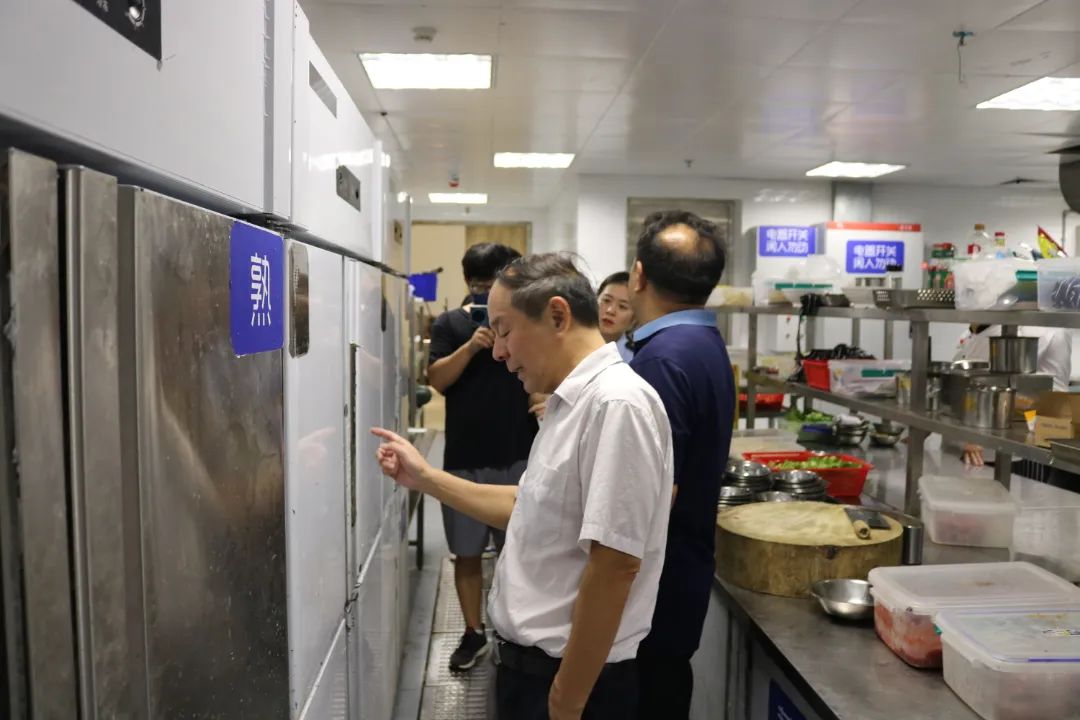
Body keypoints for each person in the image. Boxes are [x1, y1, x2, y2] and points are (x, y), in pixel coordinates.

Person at [373, 253, 674, 720]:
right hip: (531, 672)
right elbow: (526, 503)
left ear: (557, 316)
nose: (498, 351)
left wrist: (566, 701)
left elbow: (615, 565)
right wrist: (425, 478)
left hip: (567, 682)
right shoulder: (569, 402)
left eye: (505, 330)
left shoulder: (616, 405)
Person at [625, 210, 735, 719]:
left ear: (638, 275)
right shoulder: (701, 343)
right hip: (681, 578)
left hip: (654, 591)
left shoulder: (662, 360)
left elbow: (652, 498)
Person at [426, 242, 542, 671]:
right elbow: (437, 380)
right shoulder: (450, 324)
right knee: (467, 552)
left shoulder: (524, 325)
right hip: (466, 459)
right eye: (476, 283)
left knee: (521, 551)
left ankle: (515, 634)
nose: (481, 292)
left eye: (488, 283)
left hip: (520, 455)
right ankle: (474, 633)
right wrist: (472, 347)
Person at [954, 324, 1071, 467]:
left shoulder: (1053, 333)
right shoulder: (968, 334)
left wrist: (982, 428)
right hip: (957, 445)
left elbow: (1057, 400)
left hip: (1008, 452)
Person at [597, 271, 635, 361]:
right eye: (606, 300)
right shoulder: (570, 342)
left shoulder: (635, 360)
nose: (610, 311)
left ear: (634, 319)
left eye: (622, 306)